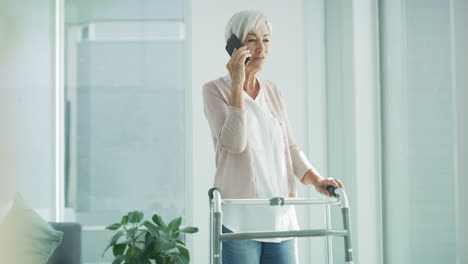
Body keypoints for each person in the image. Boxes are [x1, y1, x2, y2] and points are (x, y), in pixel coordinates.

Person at [202, 10, 345, 264]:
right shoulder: (215, 90)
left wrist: (316, 179)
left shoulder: (273, 91)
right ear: (233, 46)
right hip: (240, 221)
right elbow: (235, 143)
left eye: (266, 40)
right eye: (251, 39)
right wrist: (237, 84)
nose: (261, 48)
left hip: (281, 218)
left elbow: (289, 146)